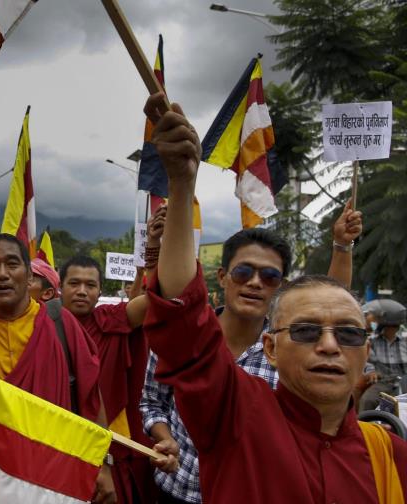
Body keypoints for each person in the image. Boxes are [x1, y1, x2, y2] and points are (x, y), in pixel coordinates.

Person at [141, 91, 406, 503]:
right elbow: (181, 320)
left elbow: (330, 300)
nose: (330, 346)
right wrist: (181, 184)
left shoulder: (390, 455)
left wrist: (341, 247)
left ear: (366, 350)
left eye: (350, 335)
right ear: (272, 348)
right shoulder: (241, 414)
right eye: (304, 331)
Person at [141, 199, 361, 504]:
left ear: (280, 286)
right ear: (222, 277)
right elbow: (151, 402)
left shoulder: (289, 350)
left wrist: (341, 247)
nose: (255, 283)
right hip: (176, 490)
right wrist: (164, 438)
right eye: (244, 272)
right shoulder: (186, 340)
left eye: (269, 277)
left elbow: (328, 313)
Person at [0, 233, 113, 504]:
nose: (3, 274)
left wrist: (103, 463)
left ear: (29, 276)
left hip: (46, 473)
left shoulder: (60, 323)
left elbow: (90, 395)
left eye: (12, 264)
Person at [61, 205, 166, 504]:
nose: (82, 291)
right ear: (60, 287)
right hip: (54, 440)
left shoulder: (110, 320)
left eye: (90, 285)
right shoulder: (40, 325)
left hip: (108, 446)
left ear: (99, 291)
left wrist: (155, 248)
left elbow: (156, 301)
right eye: (74, 283)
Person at [359, 299, 407, 411]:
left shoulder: (405, 341)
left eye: (395, 327)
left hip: (404, 380)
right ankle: (364, 425)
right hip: (385, 382)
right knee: (367, 400)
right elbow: (368, 362)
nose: (393, 329)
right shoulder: (373, 342)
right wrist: (371, 372)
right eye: (391, 326)